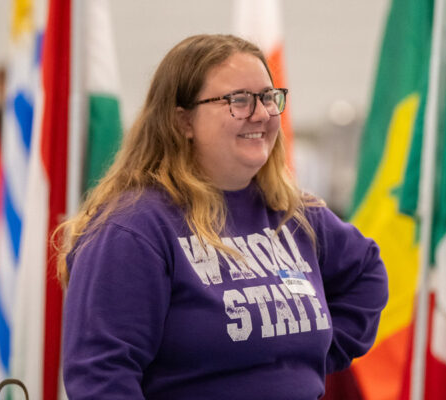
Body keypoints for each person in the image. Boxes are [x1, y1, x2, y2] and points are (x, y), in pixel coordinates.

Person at [58, 34, 388, 400]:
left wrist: (313, 350)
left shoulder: (293, 213)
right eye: (239, 100)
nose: (261, 113)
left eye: (268, 97)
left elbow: (366, 271)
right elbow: (100, 377)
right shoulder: (134, 230)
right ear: (183, 122)